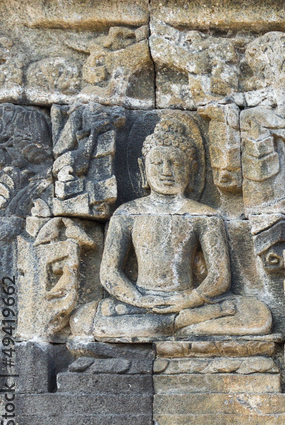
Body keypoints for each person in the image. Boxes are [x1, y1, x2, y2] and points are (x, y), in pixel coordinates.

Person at [71, 118, 271, 340]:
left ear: (192, 170)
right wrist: (139, 299)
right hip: (140, 305)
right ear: (142, 169)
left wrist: (189, 300)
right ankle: (182, 326)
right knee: (83, 319)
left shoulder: (205, 216)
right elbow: (109, 273)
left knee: (258, 315)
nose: (166, 171)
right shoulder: (126, 214)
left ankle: (174, 323)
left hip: (189, 302)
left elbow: (220, 276)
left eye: (176, 163)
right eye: (157, 163)